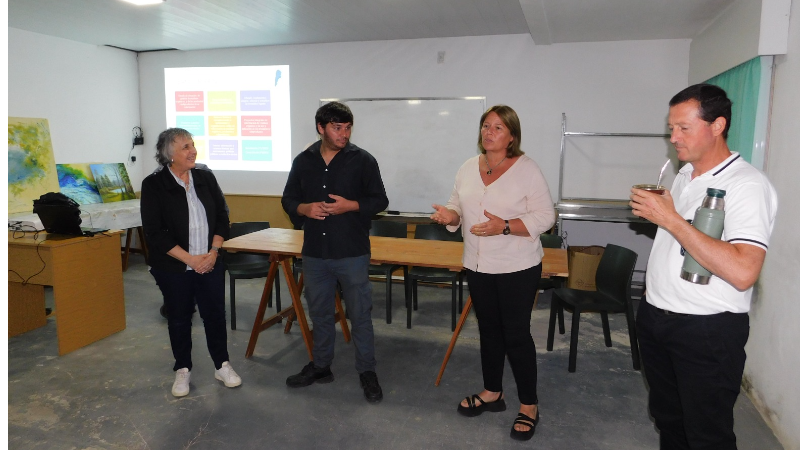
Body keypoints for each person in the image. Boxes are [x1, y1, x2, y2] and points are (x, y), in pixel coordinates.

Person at [630, 84, 778, 449]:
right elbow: (688, 239)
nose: (673, 137)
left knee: (707, 433)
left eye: (683, 128)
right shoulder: (686, 174)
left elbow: (744, 271)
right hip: (657, 317)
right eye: (671, 128)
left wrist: (672, 221)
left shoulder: (747, 186)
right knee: (669, 420)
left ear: (717, 126)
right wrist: (667, 210)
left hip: (705, 332)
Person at [430, 105, 555, 441]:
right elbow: (458, 205)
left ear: (511, 136)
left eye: (498, 127)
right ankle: (492, 392)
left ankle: (529, 405)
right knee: (488, 330)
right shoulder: (469, 167)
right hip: (478, 264)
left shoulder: (527, 169)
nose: (489, 132)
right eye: (486, 126)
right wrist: (450, 217)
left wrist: (505, 226)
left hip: (518, 266)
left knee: (516, 333)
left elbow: (546, 216)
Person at [281, 101, 389, 403]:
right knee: (320, 313)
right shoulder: (304, 161)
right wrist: (303, 208)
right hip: (315, 253)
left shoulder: (363, 161)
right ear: (321, 128)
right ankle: (320, 366)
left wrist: (350, 205)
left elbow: (380, 200)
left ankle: (367, 372)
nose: (344, 133)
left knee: (360, 314)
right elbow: (289, 199)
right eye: (337, 128)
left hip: (351, 252)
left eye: (347, 128)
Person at [141, 127, 242, 398]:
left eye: (192, 144)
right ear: (168, 154)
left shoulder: (205, 178)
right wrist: (191, 260)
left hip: (210, 261)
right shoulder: (154, 185)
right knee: (179, 318)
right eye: (185, 146)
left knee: (214, 315)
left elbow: (222, 216)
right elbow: (154, 232)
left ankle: (222, 365)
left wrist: (213, 252)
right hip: (174, 267)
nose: (192, 150)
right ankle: (182, 369)